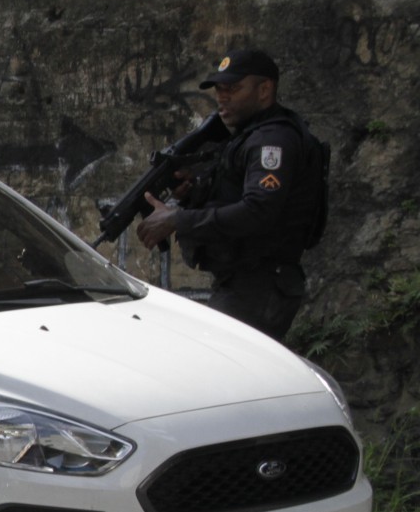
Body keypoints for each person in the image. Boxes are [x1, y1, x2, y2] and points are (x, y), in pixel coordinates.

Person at [135, 49, 327, 340]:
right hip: (244, 283)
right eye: (220, 91)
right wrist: (189, 194)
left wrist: (179, 219)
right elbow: (231, 198)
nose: (223, 98)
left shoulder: (272, 141)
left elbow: (257, 211)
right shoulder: (247, 136)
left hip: (259, 286)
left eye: (233, 89)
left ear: (264, 90)